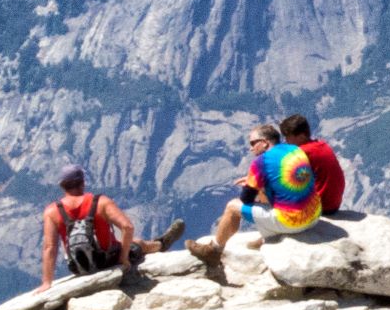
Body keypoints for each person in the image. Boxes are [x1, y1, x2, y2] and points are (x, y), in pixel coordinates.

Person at [38, 166, 185, 289]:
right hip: (108, 260)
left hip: (78, 267)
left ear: (62, 186)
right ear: (83, 183)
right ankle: (161, 244)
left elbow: (49, 248)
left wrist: (46, 282)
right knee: (138, 242)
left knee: (133, 242)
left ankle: (159, 242)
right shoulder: (100, 202)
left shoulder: (52, 211)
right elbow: (127, 227)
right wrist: (123, 258)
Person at [186, 123, 283, 260]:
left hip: (292, 221)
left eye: (253, 143)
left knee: (233, 206)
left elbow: (245, 200)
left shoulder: (261, 162)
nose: (250, 149)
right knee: (263, 191)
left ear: (264, 143)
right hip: (311, 217)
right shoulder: (293, 151)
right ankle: (268, 235)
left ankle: (213, 251)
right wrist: (260, 183)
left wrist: (252, 183)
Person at [277, 114, 347, 214]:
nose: (286, 141)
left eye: (288, 137)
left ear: (301, 137)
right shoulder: (322, 145)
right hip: (333, 205)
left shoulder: (301, 153)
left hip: (320, 208)